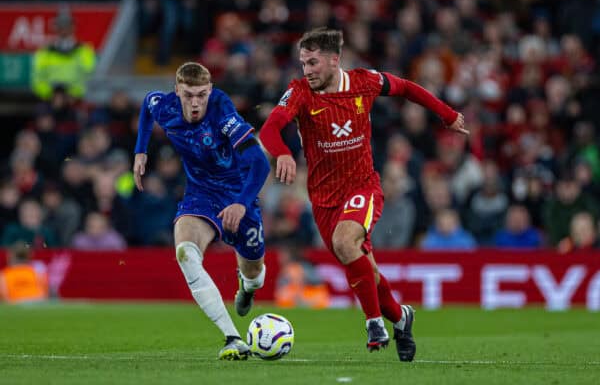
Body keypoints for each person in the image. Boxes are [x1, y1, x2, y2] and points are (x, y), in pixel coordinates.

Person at [259, 28, 469, 362]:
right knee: (367, 274)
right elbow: (270, 128)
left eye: (313, 62)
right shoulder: (299, 92)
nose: (307, 70)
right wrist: (282, 153)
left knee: (345, 243)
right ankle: (401, 318)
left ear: (334, 60)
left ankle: (374, 324)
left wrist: (447, 115)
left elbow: (407, 88)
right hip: (323, 199)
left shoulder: (363, 82)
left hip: (363, 187)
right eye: (303, 63)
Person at [133, 62, 270, 360]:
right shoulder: (165, 106)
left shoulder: (222, 110)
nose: (195, 103)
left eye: (201, 95)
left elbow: (260, 161)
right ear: (177, 92)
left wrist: (241, 203)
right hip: (201, 194)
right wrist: (140, 150)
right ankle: (232, 337)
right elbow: (146, 104)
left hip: (238, 192)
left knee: (255, 271)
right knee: (186, 253)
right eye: (188, 95)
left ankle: (247, 286)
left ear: (210, 91)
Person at [31, 8, 96, 101]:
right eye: (60, 26)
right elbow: (37, 80)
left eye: (67, 25)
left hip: (76, 101)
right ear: (55, 28)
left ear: (73, 27)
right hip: (50, 101)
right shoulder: (44, 52)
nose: (64, 29)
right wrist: (52, 95)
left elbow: (89, 78)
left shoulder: (85, 51)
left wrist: (73, 94)